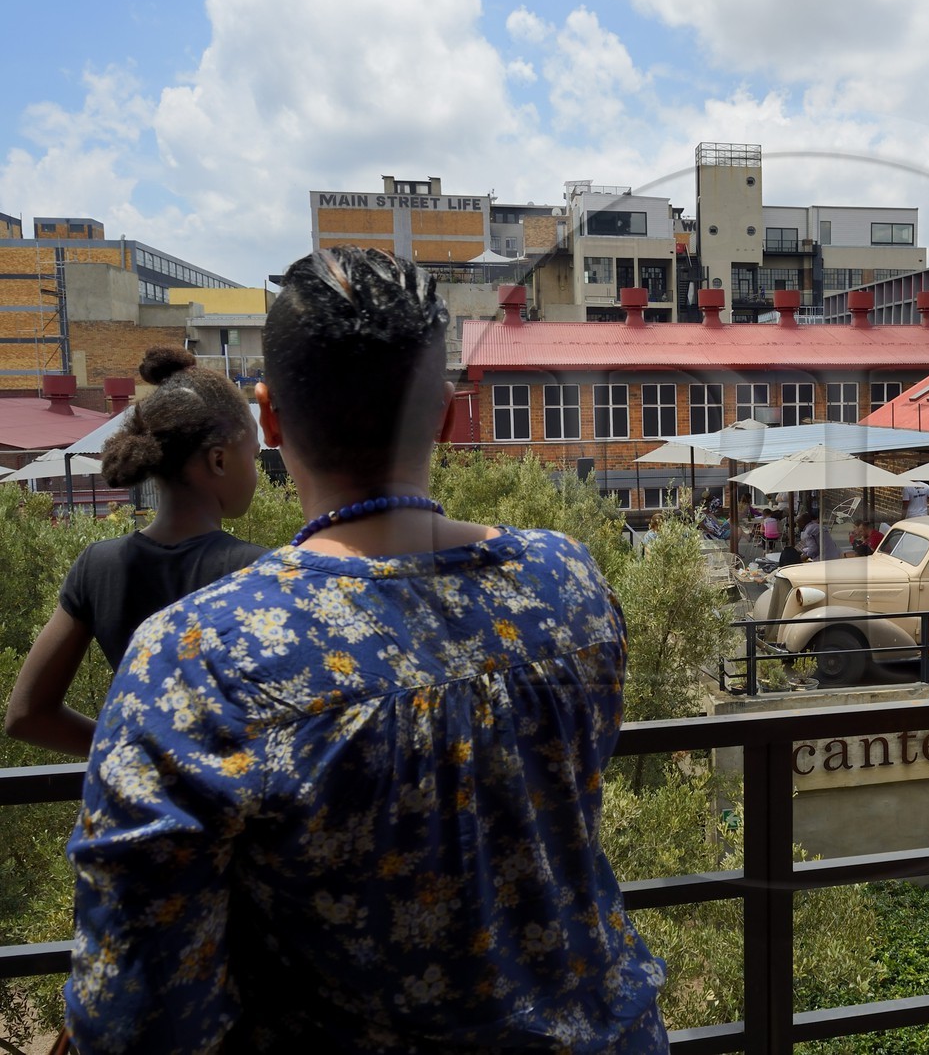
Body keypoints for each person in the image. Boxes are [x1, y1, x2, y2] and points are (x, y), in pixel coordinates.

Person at [64, 248, 667, 1053]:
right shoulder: (567, 582)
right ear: (452, 416)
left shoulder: (198, 658)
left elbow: (133, 1017)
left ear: (269, 419)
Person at [4, 346, 264, 757]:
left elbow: (26, 715)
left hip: (133, 813)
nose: (256, 471)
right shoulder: (258, 572)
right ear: (218, 460)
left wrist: (137, 754)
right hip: (228, 810)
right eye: (253, 456)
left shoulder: (97, 566)